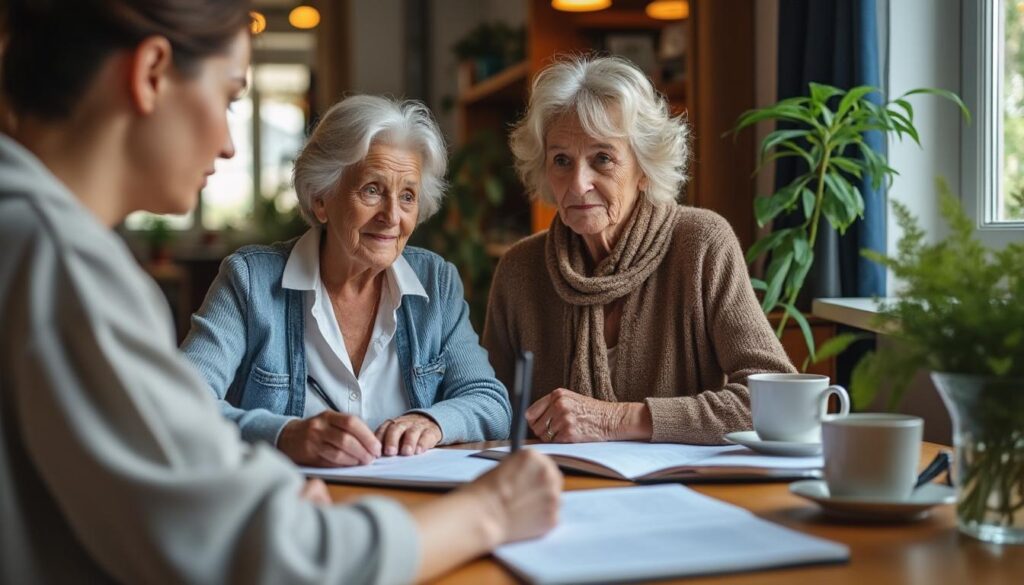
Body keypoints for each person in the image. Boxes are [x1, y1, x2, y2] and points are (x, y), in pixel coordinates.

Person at [0, 1, 560, 583]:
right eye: (230, 97)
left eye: (408, 197)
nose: (228, 145)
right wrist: (491, 509)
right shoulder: (64, 267)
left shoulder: (32, 242)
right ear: (151, 74)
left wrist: (265, 499)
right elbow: (253, 553)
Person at [181, 95, 511, 468]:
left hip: (411, 506)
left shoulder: (436, 283)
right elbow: (183, 403)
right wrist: (284, 434)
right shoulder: (250, 281)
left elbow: (489, 401)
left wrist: (433, 422)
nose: (391, 216)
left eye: (407, 196)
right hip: (291, 506)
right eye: (372, 189)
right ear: (322, 199)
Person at [483, 55, 795, 446]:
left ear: (644, 167)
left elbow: (774, 403)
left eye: (603, 159)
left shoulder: (701, 244)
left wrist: (621, 419)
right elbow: (488, 407)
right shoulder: (520, 268)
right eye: (561, 160)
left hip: (680, 494)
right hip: (558, 492)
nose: (578, 184)